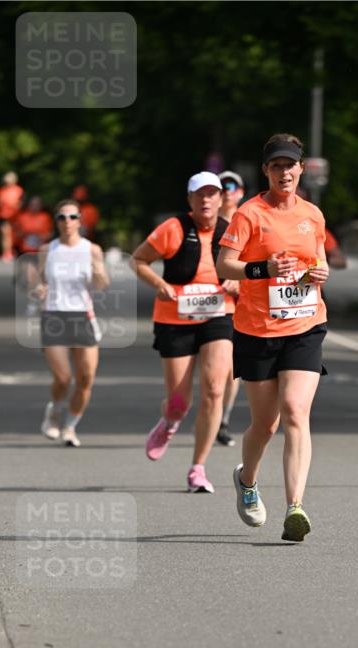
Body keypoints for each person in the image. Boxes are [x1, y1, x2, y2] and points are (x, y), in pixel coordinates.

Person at [217, 133, 330, 541]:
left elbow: (318, 259)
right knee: (265, 425)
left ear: (302, 168)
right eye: (277, 166)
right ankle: (247, 480)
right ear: (266, 171)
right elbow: (224, 264)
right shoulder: (249, 214)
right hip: (257, 329)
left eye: (291, 165)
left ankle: (295, 507)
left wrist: (320, 272)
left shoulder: (313, 214)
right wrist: (262, 268)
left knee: (296, 411)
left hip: (305, 324)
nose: (285, 172)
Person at [130, 172, 238, 493]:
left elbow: (250, 267)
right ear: (189, 200)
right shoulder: (173, 228)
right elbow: (138, 260)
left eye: (211, 194)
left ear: (221, 199)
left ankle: (198, 468)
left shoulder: (232, 232)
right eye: (199, 195)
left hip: (219, 314)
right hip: (175, 316)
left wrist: (238, 280)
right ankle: (170, 421)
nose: (206, 200)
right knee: (179, 401)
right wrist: (159, 284)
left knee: (216, 388)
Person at [34, 198, 109, 446]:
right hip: (54, 316)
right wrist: (39, 290)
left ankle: (70, 427)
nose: (67, 222)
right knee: (64, 378)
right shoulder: (47, 250)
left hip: (83, 316)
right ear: (56, 222)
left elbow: (102, 285)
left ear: (80, 221)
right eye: (62, 217)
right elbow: (41, 281)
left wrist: (97, 272)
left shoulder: (92, 249)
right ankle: (54, 411)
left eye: (73, 217)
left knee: (86, 378)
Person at [216, 170, 246, 447]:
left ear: (241, 191)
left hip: (240, 304)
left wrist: (240, 281)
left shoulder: (247, 219)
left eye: (232, 185)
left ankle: (222, 420)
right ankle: (208, 412)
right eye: (221, 186)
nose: (227, 190)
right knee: (214, 370)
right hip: (207, 303)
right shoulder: (205, 223)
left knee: (230, 370)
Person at [0, 171, 24, 260]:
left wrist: (15, 205)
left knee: (15, 235)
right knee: (5, 234)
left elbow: (22, 203)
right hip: (4, 215)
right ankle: (6, 253)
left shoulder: (19, 190)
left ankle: (15, 251)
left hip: (16, 216)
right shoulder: (0, 191)